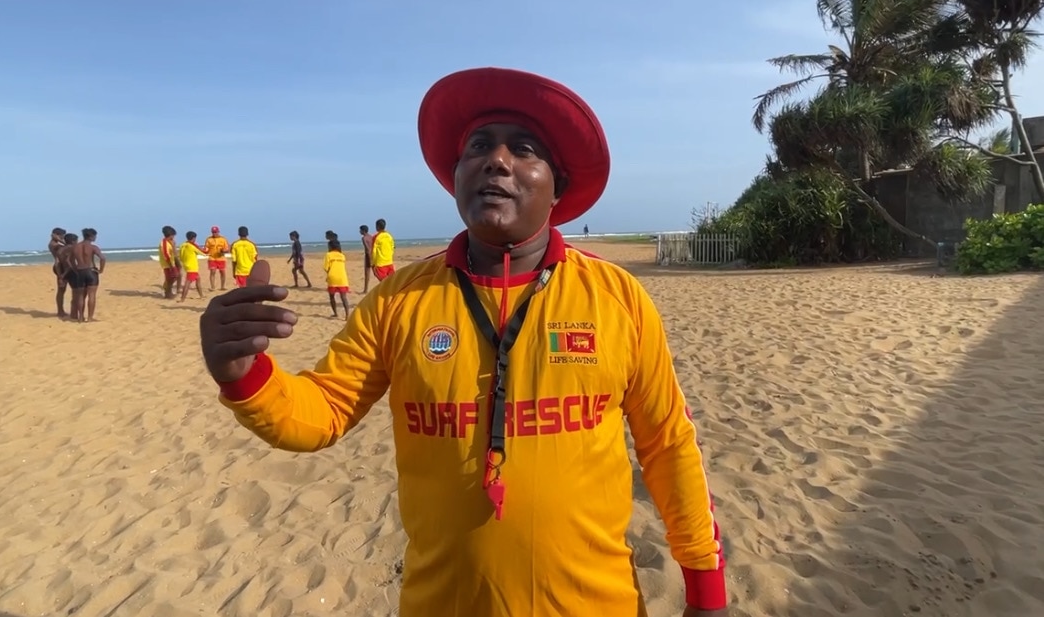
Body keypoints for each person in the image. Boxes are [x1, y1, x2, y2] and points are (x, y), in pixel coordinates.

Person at [198, 67, 726, 617]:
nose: (496, 161)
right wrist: (243, 374)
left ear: (558, 188)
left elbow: (668, 445)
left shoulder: (616, 297)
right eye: (478, 146)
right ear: (455, 177)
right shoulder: (400, 300)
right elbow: (322, 411)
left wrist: (706, 588)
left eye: (524, 149)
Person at [67, 227, 105, 322]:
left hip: (80, 271)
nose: (96, 237)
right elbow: (102, 258)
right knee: (91, 295)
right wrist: (101, 270)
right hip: (91, 271)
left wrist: (75, 269)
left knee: (80, 296)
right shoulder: (93, 247)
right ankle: (90, 318)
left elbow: (69, 260)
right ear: (91, 236)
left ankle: (80, 317)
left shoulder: (75, 247)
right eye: (95, 236)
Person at [322, 238, 350, 319]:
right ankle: (347, 315)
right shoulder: (342, 255)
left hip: (332, 277)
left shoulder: (328, 255)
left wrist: (328, 276)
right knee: (344, 297)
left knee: (332, 296)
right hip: (342, 277)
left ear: (330, 246)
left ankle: (335, 313)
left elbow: (326, 268)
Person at [179, 231, 207, 302]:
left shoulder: (182, 245)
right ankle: (182, 299)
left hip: (186, 265)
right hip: (192, 267)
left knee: (198, 279)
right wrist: (208, 252)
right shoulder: (191, 246)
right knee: (188, 282)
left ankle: (201, 295)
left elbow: (181, 256)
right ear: (194, 238)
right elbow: (202, 253)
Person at [57, 233, 79, 318]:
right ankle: (74, 314)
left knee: (61, 291)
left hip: (62, 271)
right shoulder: (73, 248)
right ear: (73, 241)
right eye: (77, 240)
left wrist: (60, 276)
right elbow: (70, 263)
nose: (78, 242)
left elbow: (57, 264)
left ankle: (60, 311)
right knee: (76, 293)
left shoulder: (60, 250)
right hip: (71, 271)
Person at [48, 227, 69, 318]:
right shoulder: (54, 245)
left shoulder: (56, 243)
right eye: (61, 236)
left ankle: (61, 310)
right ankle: (60, 311)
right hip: (60, 267)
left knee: (62, 290)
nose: (62, 238)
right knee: (61, 290)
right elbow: (67, 246)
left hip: (62, 267)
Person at [204, 226, 230, 291]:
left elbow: (227, 249)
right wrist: (205, 251)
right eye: (213, 232)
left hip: (221, 258)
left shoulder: (223, 239)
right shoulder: (209, 239)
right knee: (212, 272)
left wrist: (224, 251)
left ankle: (222, 286)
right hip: (212, 258)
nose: (214, 233)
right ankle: (213, 287)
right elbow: (206, 248)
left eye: (215, 232)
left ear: (218, 232)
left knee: (222, 272)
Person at [158, 226, 181, 299]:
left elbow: (174, 254)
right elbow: (166, 256)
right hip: (168, 264)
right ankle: (167, 293)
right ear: (170, 235)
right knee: (171, 278)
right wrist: (171, 266)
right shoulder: (164, 243)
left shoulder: (170, 242)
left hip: (172, 262)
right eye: (173, 235)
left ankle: (168, 291)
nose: (174, 237)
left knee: (175, 276)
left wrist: (174, 246)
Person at [359, 224, 373, 293]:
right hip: (374, 254)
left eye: (360, 230)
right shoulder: (371, 237)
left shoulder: (364, 238)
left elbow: (367, 248)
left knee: (367, 273)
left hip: (368, 255)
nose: (359, 231)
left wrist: (369, 257)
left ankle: (365, 290)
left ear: (363, 231)